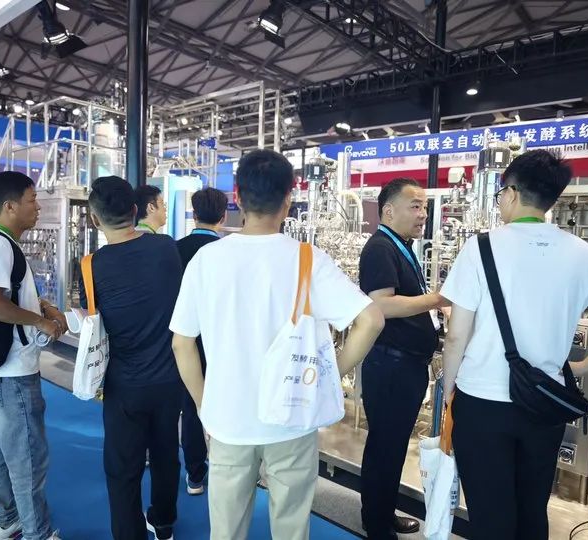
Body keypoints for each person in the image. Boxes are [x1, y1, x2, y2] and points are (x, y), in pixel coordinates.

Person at [169, 149, 384, 540]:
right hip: (292, 416)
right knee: (291, 528)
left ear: (237, 196)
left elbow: (182, 344)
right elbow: (372, 319)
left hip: (229, 419)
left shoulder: (206, 260)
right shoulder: (308, 259)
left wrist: (203, 404)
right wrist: (329, 374)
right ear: (289, 198)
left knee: (226, 531)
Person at [440, 150, 588, 540]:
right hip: (544, 403)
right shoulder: (584, 254)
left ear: (511, 193)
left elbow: (457, 334)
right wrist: (585, 365)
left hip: (482, 403)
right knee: (532, 511)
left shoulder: (480, 248)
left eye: (500, 195)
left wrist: (447, 390)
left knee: (491, 516)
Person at [84, 176, 183, 540]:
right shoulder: (166, 248)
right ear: (136, 210)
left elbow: (95, 322)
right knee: (165, 454)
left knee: (122, 468)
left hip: (124, 383)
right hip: (170, 376)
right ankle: (164, 521)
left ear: (95, 219)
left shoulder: (91, 266)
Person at [0, 171, 66, 540]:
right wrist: (39, 322)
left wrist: (44, 307)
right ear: (10, 207)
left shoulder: (3, 244)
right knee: (28, 460)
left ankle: (6, 520)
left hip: (1, 370)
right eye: (32, 200)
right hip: (11, 373)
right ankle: (36, 533)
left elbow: (10, 295)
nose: (38, 206)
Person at [358, 178, 450, 539]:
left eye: (424, 206)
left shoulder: (400, 246)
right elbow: (382, 305)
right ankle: (376, 524)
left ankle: (382, 511)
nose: (422, 213)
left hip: (403, 365)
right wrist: (439, 299)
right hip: (390, 365)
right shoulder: (380, 248)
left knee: (392, 446)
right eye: (415, 206)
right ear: (388, 211)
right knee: (385, 446)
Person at [175, 187, 228, 496]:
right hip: (222, 342)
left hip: (185, 340)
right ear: (223, 217)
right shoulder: (228, 253)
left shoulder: (175, 249)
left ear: (193, 215)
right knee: (226, 402)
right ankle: (228, 468)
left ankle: (195, 474)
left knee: (192, 403)